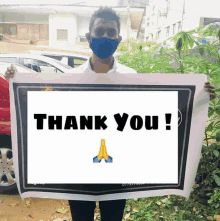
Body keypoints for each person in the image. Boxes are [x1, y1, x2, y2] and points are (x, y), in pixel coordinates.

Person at [4, 6, 216, 221]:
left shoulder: (130, 77)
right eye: (99, 31)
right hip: (77, 169)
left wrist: (199, 97)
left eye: (110, 32)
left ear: (119, 38)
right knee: (81, 218)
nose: (105, 37)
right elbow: (46, 111)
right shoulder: (70, 78)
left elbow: (155, 115)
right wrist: (17, 83)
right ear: (88, 37)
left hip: (117, 170)